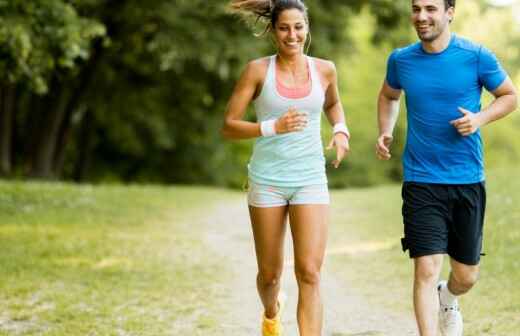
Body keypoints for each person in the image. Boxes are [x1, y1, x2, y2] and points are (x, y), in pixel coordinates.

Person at [376, 0, 518, 335]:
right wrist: (386, 129)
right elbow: (388, 96)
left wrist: (479, 119)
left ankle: (449, 296)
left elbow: (510, 96)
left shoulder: (476, 56)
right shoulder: (401, 60)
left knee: (466, 275)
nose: (421, 16)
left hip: (467, 178)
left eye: (430, 8)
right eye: (416, 9)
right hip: (421, 179)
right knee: (425, 268)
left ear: (449, 12)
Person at [222, 0, 350, 335]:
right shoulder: (257, 70)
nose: (292, 35)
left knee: (309, 272)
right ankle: (271, 311)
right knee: (270, 275)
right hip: (267, 180)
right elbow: (229, 125)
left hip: (310, 179)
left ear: (307, 28)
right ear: (273, 31)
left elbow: (333, 104)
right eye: (284, 28)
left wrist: (340, 131)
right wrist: (271, 127)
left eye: (298, 27)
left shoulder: (324, 70)